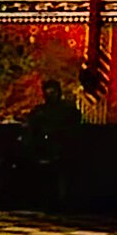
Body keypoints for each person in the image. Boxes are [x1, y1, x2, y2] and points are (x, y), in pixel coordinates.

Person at [23, 78, 83, 212]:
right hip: (42, 150)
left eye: (53, 92)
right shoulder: (40, 112)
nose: (50, 95)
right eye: (47, 92)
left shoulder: (68, 112)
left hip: (63, 150)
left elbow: (73, 130)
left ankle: (62, 202)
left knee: (62, 176)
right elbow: (31, 130)